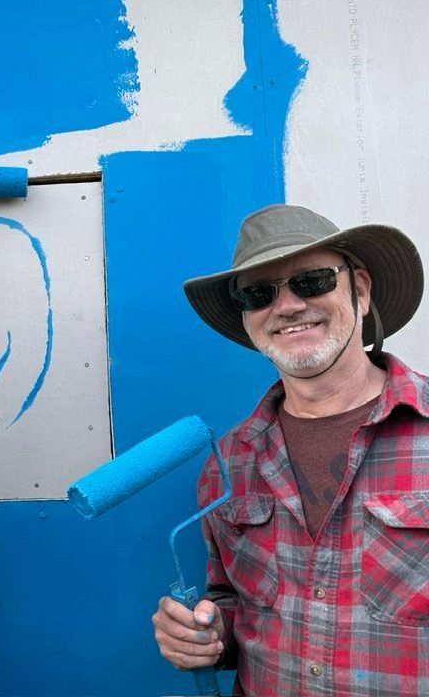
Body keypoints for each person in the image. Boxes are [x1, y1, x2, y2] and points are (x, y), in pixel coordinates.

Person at [151, 204, 427, 695]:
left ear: (359, 290)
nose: (288, 306)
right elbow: (232, 601)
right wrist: (209, 635)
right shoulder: (228, 462)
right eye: (259, 293)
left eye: (312, 280)